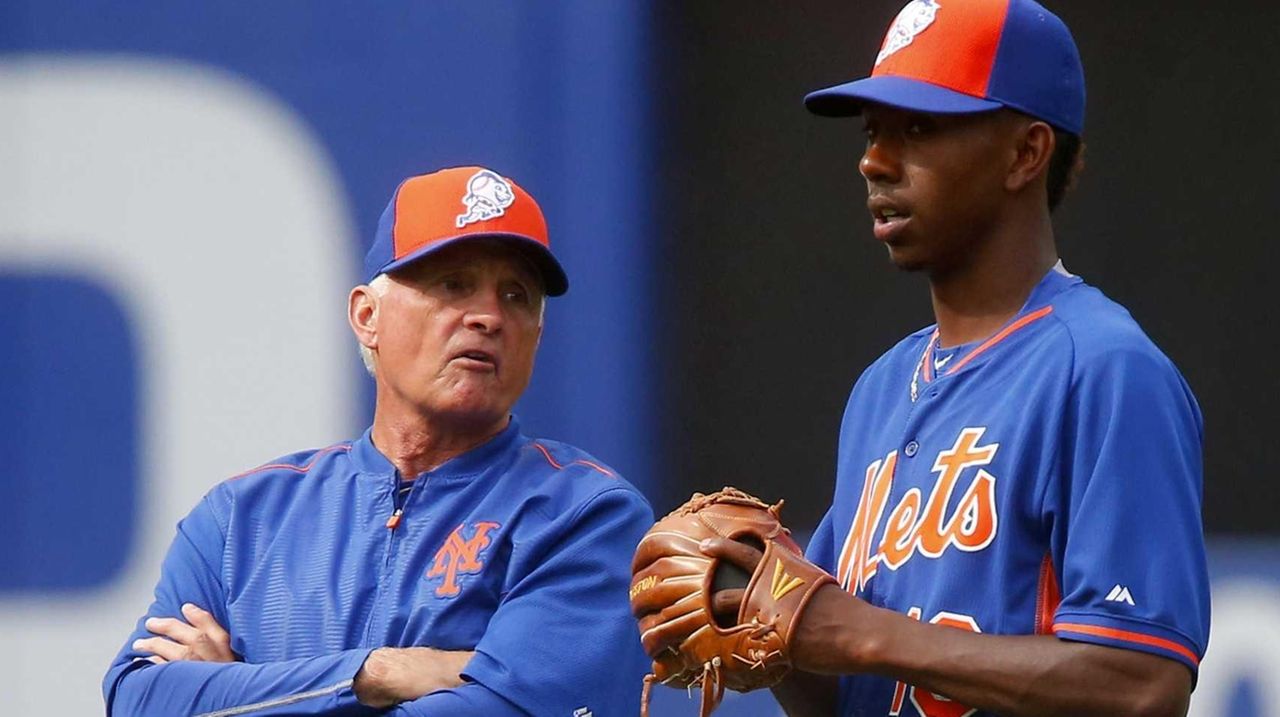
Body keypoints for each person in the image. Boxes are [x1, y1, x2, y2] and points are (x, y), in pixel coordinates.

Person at [699, 1, 1210, 715]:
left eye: (920, 128)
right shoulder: (880, 388)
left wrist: (865, 634)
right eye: (874, 131)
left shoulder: (1103, 368)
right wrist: (767, 627)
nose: (873, 159)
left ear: (1026, 153)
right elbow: (851, 689)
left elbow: (1143, 686)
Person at [103, 166, 654, 716]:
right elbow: (138, 700)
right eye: (453, 284)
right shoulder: (241, 519)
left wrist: (238, 694)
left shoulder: (586, 516)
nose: (488, 316)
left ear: (536, 335)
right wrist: (375, 673)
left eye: (517, 295)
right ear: (368, 316)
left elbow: (508, 710)